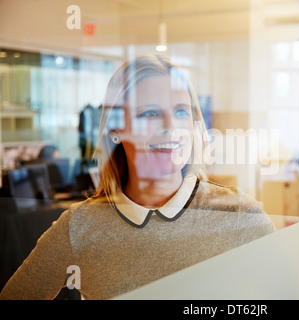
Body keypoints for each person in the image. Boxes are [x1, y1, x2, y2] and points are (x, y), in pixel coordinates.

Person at [0, 54, 275, 300]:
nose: (171, 127)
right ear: (115, 130)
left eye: (181, 111)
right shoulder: (80, 227)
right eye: (151, 113)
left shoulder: (239, 215)